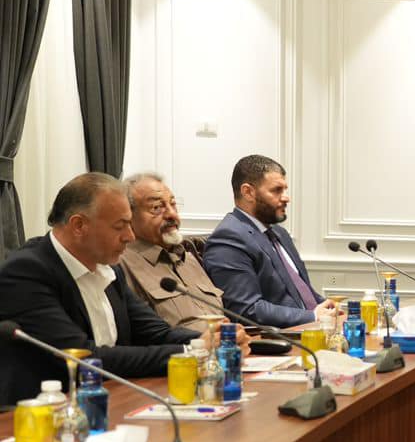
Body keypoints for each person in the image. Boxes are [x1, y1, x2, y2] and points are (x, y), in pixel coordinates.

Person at [0, 173, 236, 406]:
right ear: (79, 225)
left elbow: (155, 332)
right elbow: (83, 356)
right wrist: (192, 351)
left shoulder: (109, 269)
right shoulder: (26, 272)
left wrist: (217, 339)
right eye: (120, 226)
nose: (129, 236)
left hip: (115, 397)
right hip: (47, 411)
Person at [203, 155, 338, 329]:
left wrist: (327, 308)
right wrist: (312, 316)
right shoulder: (228, 238)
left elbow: (301, 292)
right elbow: (247, 309)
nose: (286, 198)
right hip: (280, 338)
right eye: (276, 190)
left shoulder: (278, 233)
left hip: (312, 330)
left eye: (285, 190)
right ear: (248, 192)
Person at [119, 173, 224, 328]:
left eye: (173, 204)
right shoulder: (121, 265)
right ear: (129, 216)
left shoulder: (188, 258)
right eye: (156, 207)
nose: (172, 214)